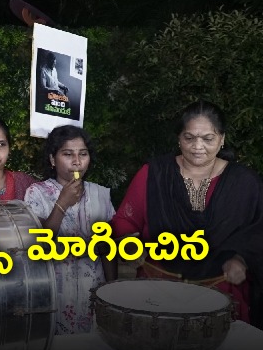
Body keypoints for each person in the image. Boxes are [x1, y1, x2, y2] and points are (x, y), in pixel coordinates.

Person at [111, 101, 263, 325]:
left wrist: (241, 259)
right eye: (189, 137)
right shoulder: (154, 174)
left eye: (208, 139)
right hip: (157, 289)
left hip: (222, 293)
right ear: (178, 138)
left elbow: (257, 234)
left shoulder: (245, 183)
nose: (197, 146)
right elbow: (123, 221)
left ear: (222, 139)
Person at [24, 125, 116, 334]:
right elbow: (40, 244)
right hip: (55, 293)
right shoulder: (36, 194)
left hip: (93, 291)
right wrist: (61, 204)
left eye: (83, 154)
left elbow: (108, 250)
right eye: (68, 154)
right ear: (52, 159)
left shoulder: (100, 194)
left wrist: (112, 290)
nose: (77, 161)